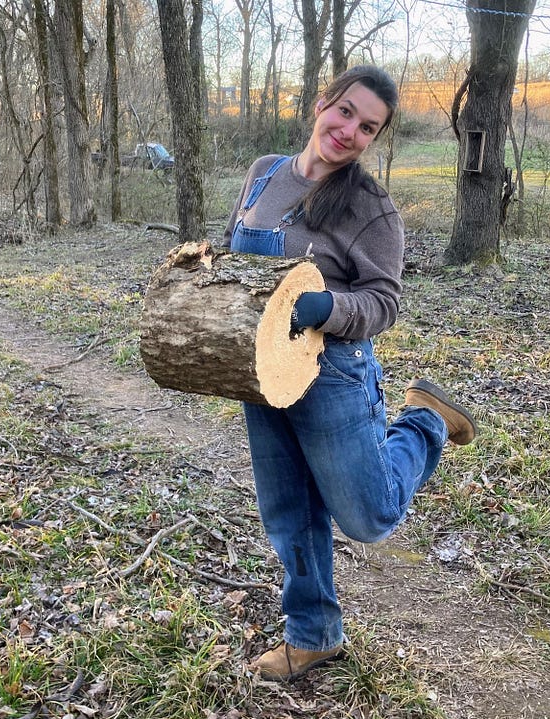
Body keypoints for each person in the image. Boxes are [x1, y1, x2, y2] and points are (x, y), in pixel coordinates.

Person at [222, 65, 477, 682]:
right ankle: (313, 636)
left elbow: (384, 301)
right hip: (263, 371)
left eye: (368, 127)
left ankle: (424, 421)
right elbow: (232, 252)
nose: (350, 131)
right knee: (290, 511)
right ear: (321, 103)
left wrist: (328, 307)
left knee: (370, 516)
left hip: (333, 372)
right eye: (345, 112)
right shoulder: (264, 173)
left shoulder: (370, 207)